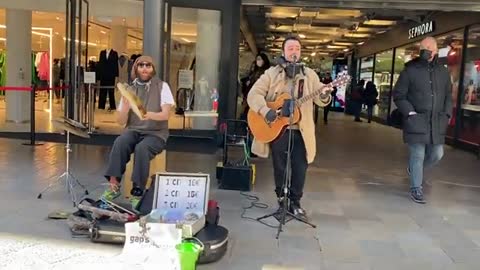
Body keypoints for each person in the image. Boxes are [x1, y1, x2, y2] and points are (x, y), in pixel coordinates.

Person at [247, 35, 332, 219]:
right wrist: (264, 110)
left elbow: (320, 99)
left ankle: (295, 201)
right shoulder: (272, 73)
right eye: (291, 48)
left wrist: (324, 94)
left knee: (300, 167)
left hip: (301, 131)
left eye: (297, 49)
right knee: (280, 167)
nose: (294, 52)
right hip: (278, 130)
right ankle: (281, 200)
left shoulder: (309, 75)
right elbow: (253, 94)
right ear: (284, 51)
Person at [101, 55, 175, 208]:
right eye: (141, 65)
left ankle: (138, 190)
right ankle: (113, 185)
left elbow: (166, 114)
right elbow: (121, 121)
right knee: (120, 142)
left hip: (156, 133)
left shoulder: (162, 86)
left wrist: (148, 114)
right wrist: (125, 109)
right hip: (134, 130)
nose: (144, 68)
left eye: (148, 65)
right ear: (136, 68)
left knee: (142, 148)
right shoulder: (130, 89)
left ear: (153, 68)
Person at [393, 36, 452, 204]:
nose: (425, 50)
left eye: (428, 48)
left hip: (437, 121)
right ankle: (416, 188)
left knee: (437, 154)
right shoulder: (409, 70)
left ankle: (414, 169)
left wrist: (447, 113)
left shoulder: (443, 72)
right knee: (418, 154)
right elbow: (399, 95)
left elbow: (448, 95)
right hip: (416, 120)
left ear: (435, 51)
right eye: (423, 47)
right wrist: (410, 112)